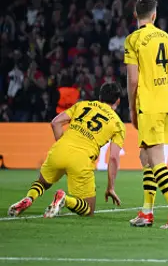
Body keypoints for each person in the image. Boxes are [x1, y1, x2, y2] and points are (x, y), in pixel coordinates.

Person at [7, 82, 124, 218]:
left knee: (43, 182)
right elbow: (114, 158)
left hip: (60, 149)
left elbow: (55, 122)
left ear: (99, 97)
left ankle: (29, 198)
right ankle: (64, 199)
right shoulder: (118, 124)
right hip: (81, 160)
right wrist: (110, 187)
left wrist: (64, 146)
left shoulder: (83, 105)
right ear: (118, 101)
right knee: (88, 209)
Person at [125, 0, 168, 229]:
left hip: (150, 105)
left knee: (156, 160)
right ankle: (146, 212)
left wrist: (132, 107)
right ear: (154, 15)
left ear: (135, 14)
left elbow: (133, 79)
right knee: (146, 158)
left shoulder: (133, 40)